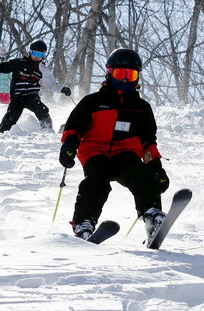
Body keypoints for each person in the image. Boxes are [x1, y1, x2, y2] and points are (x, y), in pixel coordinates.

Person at [58, 48, 170, 242]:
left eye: (131, 74)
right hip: (95, 152)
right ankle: (84, 223)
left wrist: (156, 168)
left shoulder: (141, 108)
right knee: (96, 182)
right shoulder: (92, 102)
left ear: (137, 77)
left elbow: (148, 143)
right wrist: (69, 147)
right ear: (109, 72)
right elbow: (73, 128)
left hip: (125, 154)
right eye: (121, 74)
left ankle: (152, 216)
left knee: (141, 175)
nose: (126, 79)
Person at [0, 40, 71, 132]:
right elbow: (1, 67)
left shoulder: (42, 69)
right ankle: (1, 132)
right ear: (30, 52)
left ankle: (47, 129)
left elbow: (51, 84)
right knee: (12, 115)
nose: (37, 57)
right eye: (35, 53)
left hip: (32, 97)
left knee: (42, 109)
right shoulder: (19, 63)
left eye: (40, 55)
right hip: (18, 97)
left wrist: (63, 89)